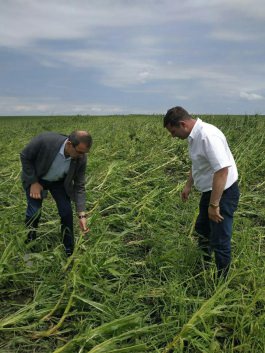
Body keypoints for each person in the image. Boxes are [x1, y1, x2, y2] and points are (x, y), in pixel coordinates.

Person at [164, 106, 239, 278]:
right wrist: (188, 185)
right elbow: (198, 164)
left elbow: (222, 171)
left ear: (182, 124)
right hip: (210, 191)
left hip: (224, 193)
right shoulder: (193, 137)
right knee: (202, 229)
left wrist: (214, 205)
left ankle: (221, 281)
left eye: (173, 131)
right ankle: (203, 267)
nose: (173, 136)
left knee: (220, 239)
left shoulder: (207, 136)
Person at [20, 130, 92, 256]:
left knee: (66, 213)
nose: (82, 156)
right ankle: (29, 246)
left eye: (84, 153)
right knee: (34, 213)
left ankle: (69, 251)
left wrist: (82, 215)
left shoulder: (81, 158)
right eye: (79, 152)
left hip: (59, 183)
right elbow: (25, 156)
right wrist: (33, 182)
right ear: (69, 144)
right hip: (38, 179)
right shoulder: (45, 141)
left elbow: (79, 186)